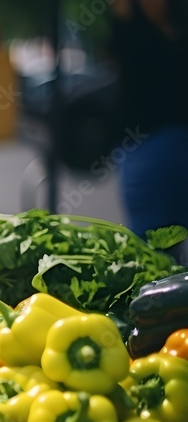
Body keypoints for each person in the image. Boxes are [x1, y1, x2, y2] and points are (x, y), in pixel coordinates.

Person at [110, 0, 188, 250]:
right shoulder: (131, 21)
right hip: (151, 146)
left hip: (155, 147)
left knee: (153, 250)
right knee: (155, 248)